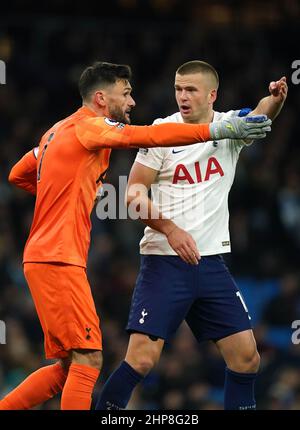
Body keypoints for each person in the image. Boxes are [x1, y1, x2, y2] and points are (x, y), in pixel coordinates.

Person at [0, 61, 270, 411]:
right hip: (59, 257)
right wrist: (217, 131)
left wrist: (71, 190)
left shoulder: (56, 132)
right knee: (89, 361)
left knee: (68, 368)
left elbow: (19, 174)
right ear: (101, 98)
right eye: (125, 94)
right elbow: (150, 135)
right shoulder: (92, 128)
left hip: (43, 257)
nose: (131, 102)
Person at [95, 61, 287, 411]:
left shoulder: (227, 127)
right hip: (164, 263)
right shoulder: (160, 132)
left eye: (191, 90)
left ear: (212, 94)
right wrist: (171, 229)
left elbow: (261, 114)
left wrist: (276, 98)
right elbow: (133, 196)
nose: (182, 96)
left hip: (211, 263)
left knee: (246, 358)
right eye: (178, 89)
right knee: (141, 360)